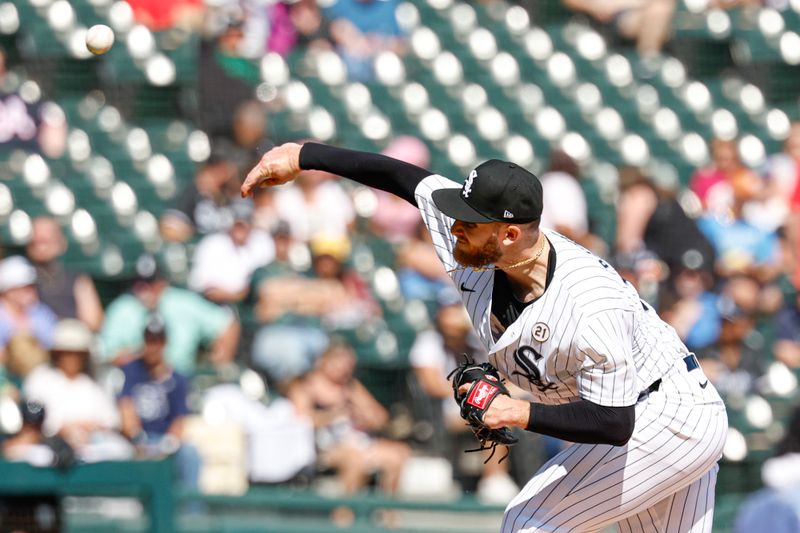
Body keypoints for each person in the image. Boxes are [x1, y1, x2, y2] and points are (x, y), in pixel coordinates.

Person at [242, 142, 728, 532]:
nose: (454, 228)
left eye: (469, 224)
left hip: (665, 415)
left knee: (528, 523)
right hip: (648, 413)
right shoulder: (479, 245)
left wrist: (517, 410)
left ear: (511, 235)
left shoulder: (589, 304)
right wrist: (303, 155)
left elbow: (614, 424)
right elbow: (402, 178)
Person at [100, 255, 240, 374]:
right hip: (138, 381)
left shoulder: (182, 302)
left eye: (151, 283)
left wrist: (219, 364)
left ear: (162, 283)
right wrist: (147, 357)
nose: (145, 290)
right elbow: (108, 355)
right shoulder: (122, 309)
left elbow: (228, 325)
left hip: (182, 378)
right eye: (140, 284)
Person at [23, 319, 132, 462]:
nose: (72, 358)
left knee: (123, 450)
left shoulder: (93, 382)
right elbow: (35, 421)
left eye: (77, 353)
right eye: (66, 352)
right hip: (50, 445)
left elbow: (112, 421)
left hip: (93, 446)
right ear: (57, 353)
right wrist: (64, 429)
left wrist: (89, 428)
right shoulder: (40, 378)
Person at [118, 315, 200, 489]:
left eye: (157, 341)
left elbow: (179, 420)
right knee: (118, 452)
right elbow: (126, 407)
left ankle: (192, 513)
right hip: (138, 439)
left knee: (190, 454)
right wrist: (136, 437)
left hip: (164, 440)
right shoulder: (131, 371)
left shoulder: (177, 378)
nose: (153, 346)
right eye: (149, 341)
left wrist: (168, 444)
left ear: (164, 343)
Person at [26, 217, 104, 331]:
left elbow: (93, 321)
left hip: (70, 337)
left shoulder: (76, 277)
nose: (40, 243)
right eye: (36, 240)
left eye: (47, 240)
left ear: (61, 242)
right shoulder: (20, 276)